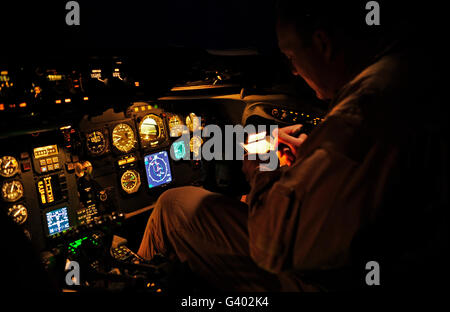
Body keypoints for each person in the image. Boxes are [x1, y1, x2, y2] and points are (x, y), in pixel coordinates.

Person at [138, 0, 449, 291]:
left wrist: (261, 165)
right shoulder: (411, 75)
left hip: (324, 278)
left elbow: (271, 247)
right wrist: (308, 159)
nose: (295, 71)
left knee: (173, 206)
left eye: (291, 57)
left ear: (323, 45)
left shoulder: (362, 111)